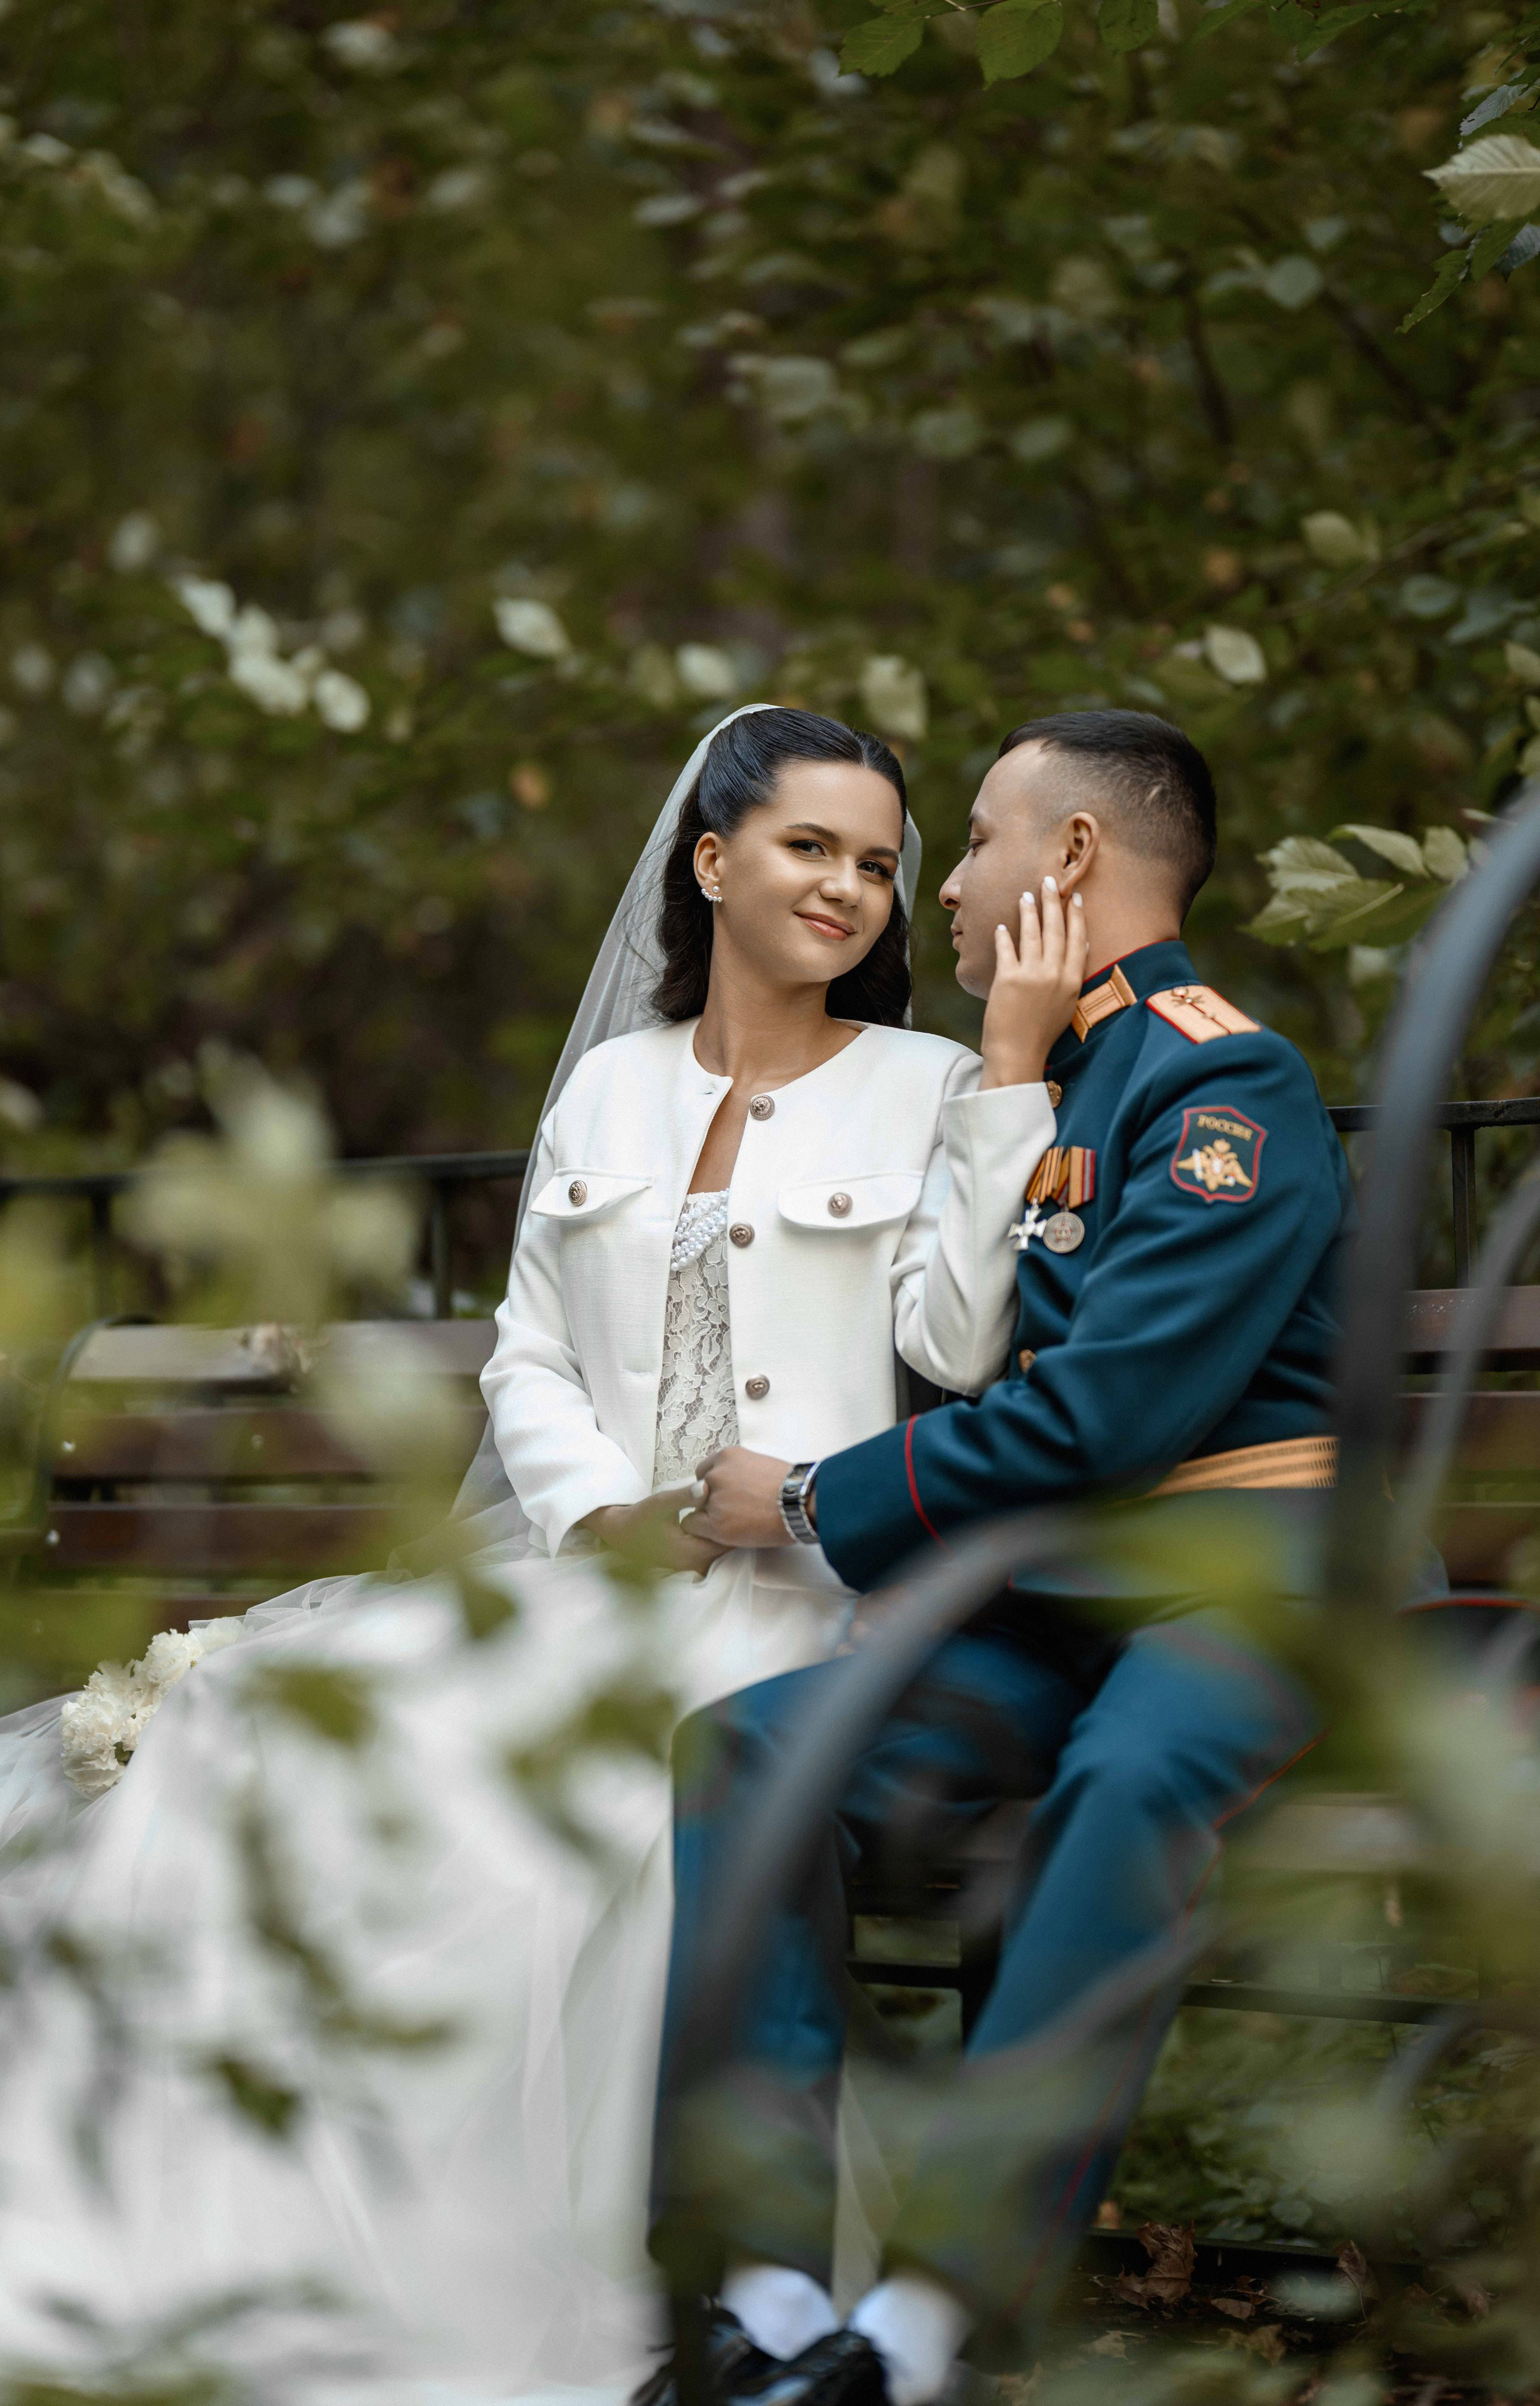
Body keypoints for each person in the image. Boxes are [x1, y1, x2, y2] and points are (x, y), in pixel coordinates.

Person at [0, 706, 1073, 2395]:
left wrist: (1007, 1077)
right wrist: (599, 1512)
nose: (851, 887)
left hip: (786, 1599)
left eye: (881, 865)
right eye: (809, 847)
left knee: (516, 1796)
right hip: (585, 1566)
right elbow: (531, 1351)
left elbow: (964, 1346)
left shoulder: (927, 1088)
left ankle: (467, 2294)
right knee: (256, 1727)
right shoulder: (615, 1087)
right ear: (712, 863)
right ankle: (198, 2251)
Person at [652, 709, 1357, 2406]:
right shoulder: (1047, 1068)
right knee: (748, 1752)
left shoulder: (1217, 1079)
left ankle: (928, 2327)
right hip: (1049, 1607)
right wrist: (1013, 1067)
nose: (944, 885)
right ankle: (762, 2286)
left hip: (1227, 1595)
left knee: (1125, 1784)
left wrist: (816, 1501)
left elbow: (1105, 1421)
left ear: (1075, 857)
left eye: (972, 839)